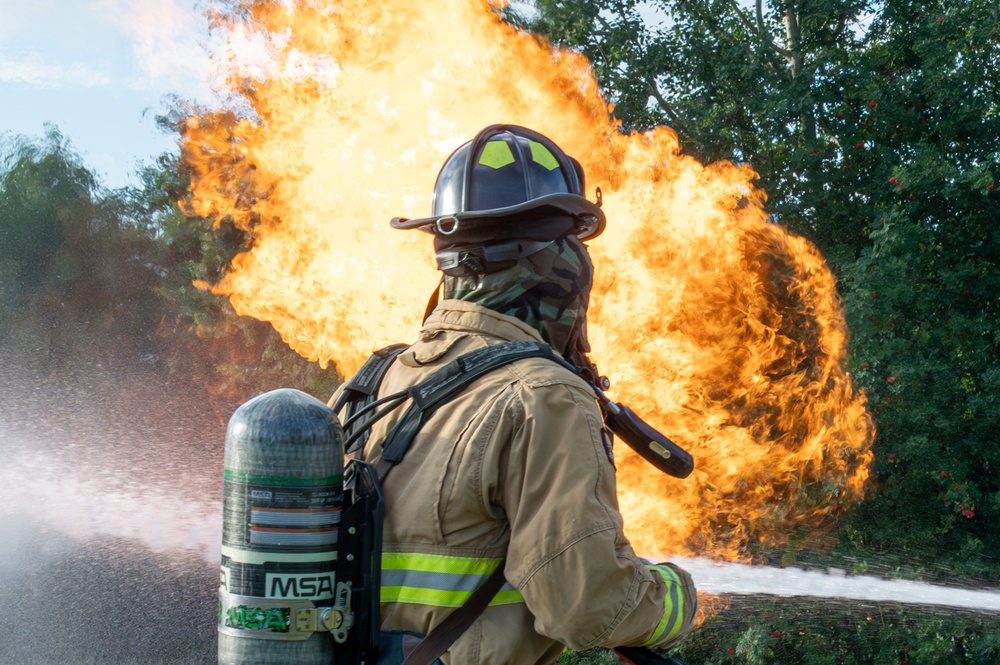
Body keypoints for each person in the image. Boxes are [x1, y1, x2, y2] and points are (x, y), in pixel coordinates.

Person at [331, 125, 697, 664]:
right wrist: (677, 598)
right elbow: (588, 607)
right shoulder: (543, 396)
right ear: (555, 269)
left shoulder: (373, 383)